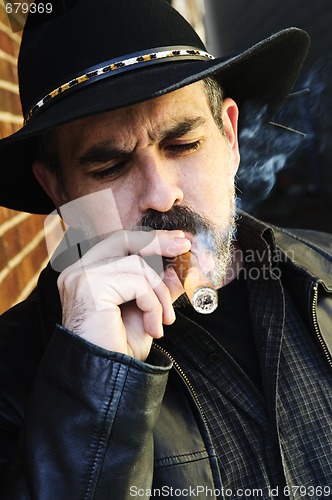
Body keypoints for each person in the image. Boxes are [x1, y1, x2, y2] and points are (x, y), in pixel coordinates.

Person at [0, 0, 331, 498]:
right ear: (59, 193)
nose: (161, 194)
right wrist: (95, 392)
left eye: (183, 144)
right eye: (109, 166)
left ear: (231, 138)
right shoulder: (11, 374)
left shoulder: (326, 269)